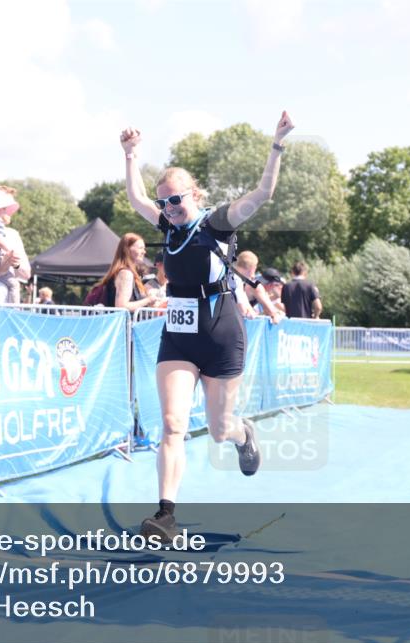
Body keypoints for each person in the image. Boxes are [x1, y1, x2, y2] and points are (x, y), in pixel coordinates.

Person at [120, 110, 294, 539]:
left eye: (176, 200)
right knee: (173, 424)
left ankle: (243, 433)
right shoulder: (169, 227)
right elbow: (136, 199)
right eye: (164, 203)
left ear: (194, 194)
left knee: (218, 430)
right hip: (178, 336)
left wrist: (277, 143)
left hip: (221, 333)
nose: (168, 209)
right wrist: (130, 156)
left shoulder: (216, 224)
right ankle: (165, 515)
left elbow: (263, 193)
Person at [95, 233, 163, 313]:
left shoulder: (126, 272)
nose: (144, 252)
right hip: (123, 324)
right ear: (127, 249)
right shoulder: (126, 274)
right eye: (140, 248)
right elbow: (121, 306)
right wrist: (148, 300)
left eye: (144, 248)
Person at [235, 250, 284, 324]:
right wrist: (278, 314)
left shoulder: (226, 278)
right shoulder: (254, 286)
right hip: (245, 329)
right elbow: (272, 312)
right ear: (253, 268)